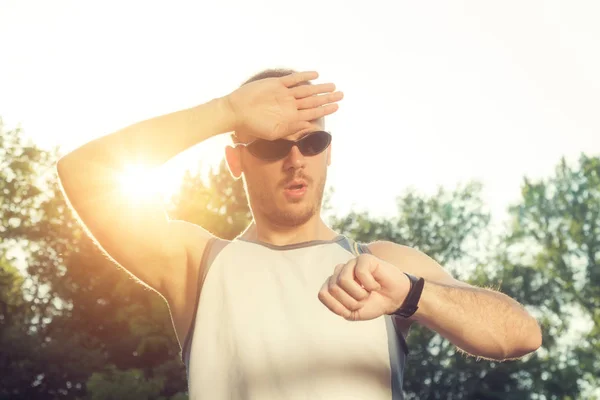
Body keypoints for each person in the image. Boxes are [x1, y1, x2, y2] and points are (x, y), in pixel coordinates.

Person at [56, 68, 542, 399]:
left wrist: (415, 295)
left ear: (328, 152)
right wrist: (224, 111)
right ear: (236, 161)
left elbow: (520, 334)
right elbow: (85, 172)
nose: (295, 160)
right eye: (271, 145)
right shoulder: (197, 265)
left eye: (312, 141)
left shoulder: (383, 263)